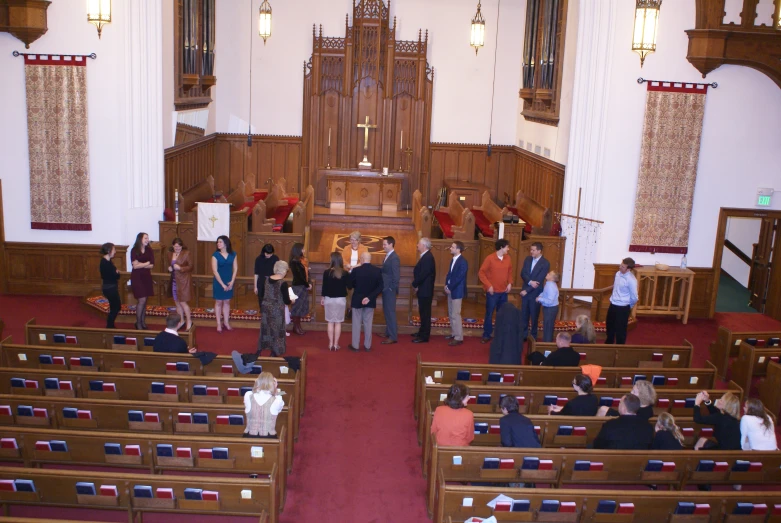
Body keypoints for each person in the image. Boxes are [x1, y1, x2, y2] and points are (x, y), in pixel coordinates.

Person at [478, 239, 513, 344]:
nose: (508, 249)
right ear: (501, 247)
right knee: (489, 314)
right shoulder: (490, 258)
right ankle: (486, 334)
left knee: (502, 314)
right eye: (507, 247)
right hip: (492, 293)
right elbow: (481, 273)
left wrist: (510, 283)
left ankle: (500, 334)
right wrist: (488, 286)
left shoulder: (508, 258)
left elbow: (510, 272)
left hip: (503, 292)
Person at [348, 252, 383, 352]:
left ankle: (355, 345)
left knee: (356, 323)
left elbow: (349, 285)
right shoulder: (377, 271)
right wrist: (369, 297)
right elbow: (380, 287)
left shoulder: (356, 270)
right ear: (370, 259)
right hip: (370, 301)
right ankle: (367, 345)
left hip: (357, 300)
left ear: (361, 259)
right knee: (368, 324)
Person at [258, 260, 295, 357]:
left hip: (266, 307)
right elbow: (286, 301)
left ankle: (263, 346)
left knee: (266, 328)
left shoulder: (266, 280)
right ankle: (275, 351)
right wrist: (292, 301)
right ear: (283, 271)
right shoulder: (282, 283)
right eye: (286, 271)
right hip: (277, 309)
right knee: (277, 329)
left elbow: (261, 294)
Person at [520, 242, 550, 342]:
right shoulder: (527, 259)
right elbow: (523, 273)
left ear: (539, 251)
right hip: (526, 290)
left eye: (533, 250)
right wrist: (529, 282)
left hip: (535, 293)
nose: (531, 252)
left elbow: (539, 280)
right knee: (524, 314)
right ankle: (524, 335)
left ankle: (533, 336)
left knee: (534, 315)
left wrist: (527, 290)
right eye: (531, 249)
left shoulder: (545, 263)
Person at [605, 257, 638, 344]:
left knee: (620, 330)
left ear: (629, 269)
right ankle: (608, 344)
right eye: (621, 265)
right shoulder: (618, 274)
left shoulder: (632, 280)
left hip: (623, 308)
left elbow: (634, 297)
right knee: (609, 326)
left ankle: (619, 348)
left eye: (623, 267)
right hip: (613, 304)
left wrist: (628, 306)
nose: (620, 267)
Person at [321, 252, 349, 351]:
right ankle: (336, 344)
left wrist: (322, 298)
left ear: (332, 260)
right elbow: (349, 287)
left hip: (329, 299)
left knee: (330, 322)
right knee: (338, 323)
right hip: (340, 300)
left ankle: (330, 344)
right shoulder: (344, 273)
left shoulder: (326, 272)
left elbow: (324, 287)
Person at [243, 372, 285, 438]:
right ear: (273, 383)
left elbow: (253, 391)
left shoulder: (248, 395)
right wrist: (275, 388)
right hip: (269, 437)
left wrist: (256, 385)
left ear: (257, 381)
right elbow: (279, 405)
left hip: (249, 437)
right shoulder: (277, 399)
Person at [211, 235, 237, 333]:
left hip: (229, 281)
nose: (218, 244)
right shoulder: (215, 255)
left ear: (226, 243)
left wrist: (232, 281)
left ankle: (226, 322)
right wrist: (222, 284)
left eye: (220, 242)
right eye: (217, 242)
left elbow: (235, 269)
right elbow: (215, 271)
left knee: (227, 302)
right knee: (218, 302)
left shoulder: (233, 254)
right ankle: (218, 323)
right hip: (219, 282)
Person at [412, 237, 436, 344]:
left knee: (425, 314)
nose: (417, 245)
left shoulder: (427, 257)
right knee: (423, 313)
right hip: (423, 289)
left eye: (419, 244)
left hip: (425, 290)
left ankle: (424, 336)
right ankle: (421, 332)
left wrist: (415, 283)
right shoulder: (425, 256)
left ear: (424, 246)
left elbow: (423, 274)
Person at [341, 231, 369, 319]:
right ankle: (349, 309)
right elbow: (343, 260)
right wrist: (348, 265)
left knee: (357, 292)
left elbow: (364, 260)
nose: (352, 242)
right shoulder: (346, 248)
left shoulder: (364, 248)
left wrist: (355, 266)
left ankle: (356, 309)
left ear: (358, 240)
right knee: (348, 292)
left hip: (359, 273)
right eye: (351, 239)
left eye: (354, 240)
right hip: (348, 272)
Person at [444, 241, 468, 346]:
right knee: (450, 312)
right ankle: (454, 333)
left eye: (452, 247)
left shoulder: (463, 262)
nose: (450, 248)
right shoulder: (453, 259)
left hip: (457, 291)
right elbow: (449, 274)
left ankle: (459, 337)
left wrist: (450, 287)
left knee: (456, 314)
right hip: (450, 289)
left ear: (458, 249)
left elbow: (459, 277)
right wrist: (446, 285)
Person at [378, 236, 400, 345]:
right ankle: (388, 332)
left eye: (385, 244)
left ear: (391, 244)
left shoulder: (394, 258)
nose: (383, 246)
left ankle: (393, 336)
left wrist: (391, 287)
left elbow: (396, 276)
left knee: (390, 312)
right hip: (386, 288)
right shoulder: (388, 256)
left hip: (389, 289)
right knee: (386, 311)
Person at [130, 232, 154, 330]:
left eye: (148, 238)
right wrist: (146, 263)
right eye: (145, 238)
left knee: (145, 301)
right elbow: (134, 266)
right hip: (137, 277)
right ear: (140, 239)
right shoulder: (134, 250)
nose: (147, 240)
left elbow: (152, 265)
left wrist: (140, 264)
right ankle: (138, 323)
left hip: (146, 277)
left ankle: (143, 322)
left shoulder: (149, 250)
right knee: (142, 299)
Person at [168, 238, 192, 331]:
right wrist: (170, 268)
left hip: (183, 281)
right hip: (174, 281)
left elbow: (191, 266)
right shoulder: (170, 254)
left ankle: (189, 321)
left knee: (183, 302)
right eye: (175, 246)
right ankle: (181, 321)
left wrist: (180, 268)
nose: (177, 248)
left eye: (179, 246)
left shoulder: (186, 253)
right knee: (177, 303)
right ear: (173, 245)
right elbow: (171, 265)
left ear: (182, 246)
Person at [289, 242, 311, 336]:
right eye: (303, 249)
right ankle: (296, 327)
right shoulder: (295, 262)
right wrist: (307, 285)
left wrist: (308, 282)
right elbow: (300, 276)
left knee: (300, 307)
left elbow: (305, 274)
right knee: (297, 308)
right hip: (298, 286)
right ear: (298, 250)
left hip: (302, 286)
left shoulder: (301, 261)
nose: (304, 250)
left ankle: (297, 327)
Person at [100, 243, 121, 329]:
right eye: (114, 250)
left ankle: (110, 325)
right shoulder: (105, 263)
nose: (115, 251)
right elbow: (115, 275)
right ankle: (109, 326)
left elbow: (116, 275)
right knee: (116, 307)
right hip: (110, 289)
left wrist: (116, 273)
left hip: (110, 287)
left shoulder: (107, 261)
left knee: (115, 307)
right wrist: (116, 273)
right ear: (109, 251)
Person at [254, 244, 279, 311]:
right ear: (263, 252)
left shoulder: (275, 258)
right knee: (261, 298)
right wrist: (255, 286)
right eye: (267, 254)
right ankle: (263, 313)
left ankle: (271, 314)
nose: (269, 255)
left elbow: (278, 272)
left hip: (272, 281)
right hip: (261, 281)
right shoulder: (258, 259)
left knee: (271, 299)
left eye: (271, 254)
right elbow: (256, 273)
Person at [536, 271, 560, 342]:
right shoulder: (549, 284)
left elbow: (550, 301)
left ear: (552, 278)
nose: (547, 274)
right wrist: (540, 295)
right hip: (549, 308)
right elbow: (545, 292)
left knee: (548, 327)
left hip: (550, 309)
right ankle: (546, 342)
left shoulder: (551, 286)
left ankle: (547, 344)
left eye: (549, 274)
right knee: (547, 326)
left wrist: (540, 299)